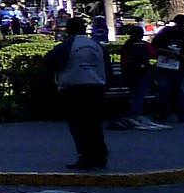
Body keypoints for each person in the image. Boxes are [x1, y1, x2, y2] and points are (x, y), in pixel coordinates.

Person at [48, 16, 110, 170]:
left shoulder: (68, 45)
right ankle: (100, 156)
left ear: (69, 29)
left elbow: (50, 61)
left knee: (79, 125)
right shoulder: (96, 45)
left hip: (74, 88)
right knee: (94, 123)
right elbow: (107, 67)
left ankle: (86, 156)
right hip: (96, 87)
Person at [153, 14, 184, 122]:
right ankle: (175, 113)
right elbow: (155, 45)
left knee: (170, 89)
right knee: (175, 90)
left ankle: (172, 112)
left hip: (177, 66)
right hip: (171, 66)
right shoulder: (168, 32)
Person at [119, 25, 151, 121]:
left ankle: (133, 112)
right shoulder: (145, 45)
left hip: (129, 72)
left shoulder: (127, 45)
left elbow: (123, 60)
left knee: (133, 92)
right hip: (143, 71)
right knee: (140, 93)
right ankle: (135, 113)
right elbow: (154, 54)